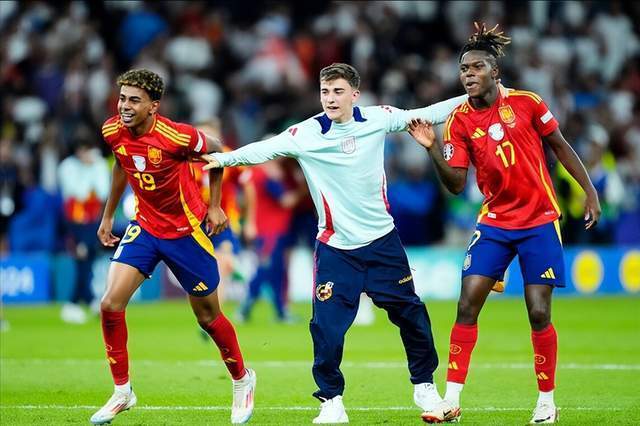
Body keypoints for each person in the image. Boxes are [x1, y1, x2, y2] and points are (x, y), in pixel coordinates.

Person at [203, 62, 467, 424]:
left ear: (354, 95)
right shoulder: (306, 133)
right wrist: (222, 158)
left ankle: (424, 386)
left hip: (383, 243)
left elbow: (428, 113)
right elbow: (264, 150)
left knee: (412, 316)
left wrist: (478, 95)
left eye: (338, 91)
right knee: (326, 328)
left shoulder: (378, 118)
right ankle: (331, 401)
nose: (330, 98)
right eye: (325, 91)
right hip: (336, 249)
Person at [409, 24, 601, 424]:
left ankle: (546, 401)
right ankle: (450, 400)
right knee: (467, 304)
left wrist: (589, 191)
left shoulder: (528, 103)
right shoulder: (459, 121)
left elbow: (561, 146)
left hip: (539, 220)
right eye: (464, 69)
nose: (468, 74)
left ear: (495, 72)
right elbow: (456, 185)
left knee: (538, 312)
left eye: (477, 67)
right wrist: (432, 149)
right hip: (495, 222)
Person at [91, 69, 255, 425]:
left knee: (208, 318)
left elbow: (217, 151)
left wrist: (215, 206)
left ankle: (243, 379)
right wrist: (107, 216)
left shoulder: (176, 136)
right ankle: (122, 391)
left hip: (186, 233)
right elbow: (121, 164)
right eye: (122, 98)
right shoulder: (112, 130)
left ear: (154, 106)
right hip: (145, 228)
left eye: (134, 100)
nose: (125, 106)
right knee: (110, 303)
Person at [58, 137, 110, 324]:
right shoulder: (67, 166)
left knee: (89, 258)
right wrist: (87, 170)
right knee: (82, 257)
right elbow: (77, 191)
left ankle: (88, 300)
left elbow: (103, 191)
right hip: (74, 221)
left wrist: (93, 167)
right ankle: (73, 303)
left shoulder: (99, 165)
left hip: (93, 220)